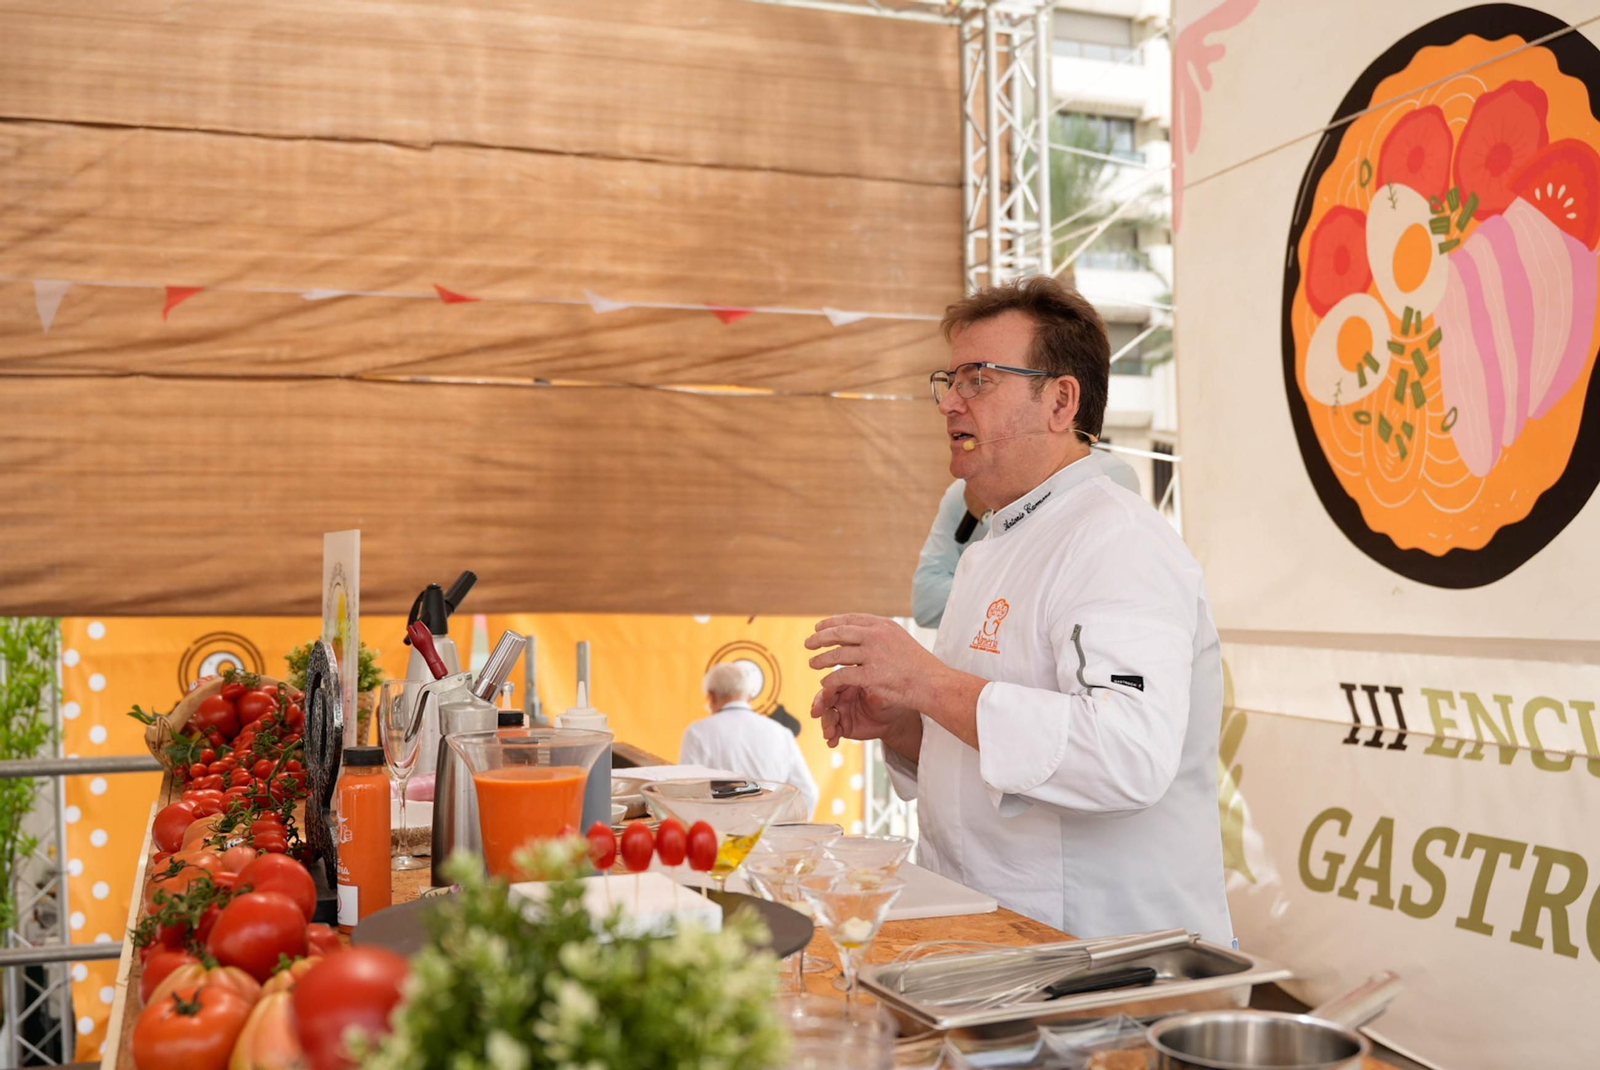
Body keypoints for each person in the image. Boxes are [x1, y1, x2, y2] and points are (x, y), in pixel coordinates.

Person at [806, 277, 1232, 944]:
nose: (949, 401)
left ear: (1061, 400)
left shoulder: (1115, 540)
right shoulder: (997, 542)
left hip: (1101, 963)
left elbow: (1126, 755)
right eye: (949, 379)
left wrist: (927, 682)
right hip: (987, 943)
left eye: (978, 378)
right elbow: (991, 753)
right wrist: (905, 727)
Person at [912, 454, 1141, 628]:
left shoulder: (1108, 476)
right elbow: (927, 603)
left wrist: (988, 524)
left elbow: (1081, 590)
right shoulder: (963, 492)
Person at [681, 664, 819, 820]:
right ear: (750, 697)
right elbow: (809, 793)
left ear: (712, 696)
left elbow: (685, 795)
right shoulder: (781, 733)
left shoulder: (698, 732)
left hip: (718, 837)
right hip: (769, 838)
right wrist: (783, 832)